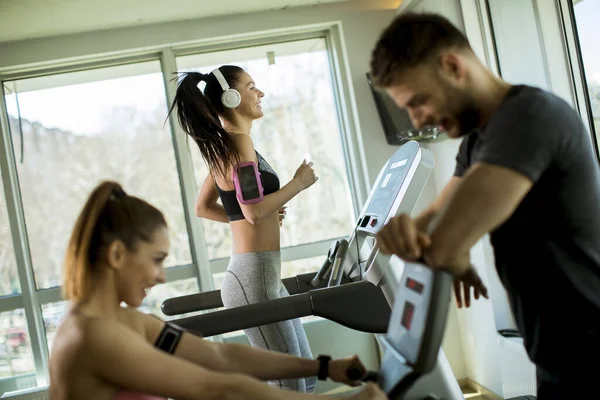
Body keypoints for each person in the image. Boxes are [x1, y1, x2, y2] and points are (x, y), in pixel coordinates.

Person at [369, 12, 600, 400]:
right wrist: (405, 229)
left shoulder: (529, 118)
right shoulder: (477, 143)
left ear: (452, 66)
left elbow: (443, 246)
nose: (417, 118)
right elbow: (433, 220)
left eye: (419, 101)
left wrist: (454, 258)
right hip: (556, 356)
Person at [48, 180, 386, 400]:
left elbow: (220, 357)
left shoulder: (124, 321)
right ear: (117, 254)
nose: (162, 276)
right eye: (156, 260)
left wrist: (324, 367)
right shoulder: (92, 336)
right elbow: (217, 388)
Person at [167, 65, 321, 392]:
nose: (260, 93)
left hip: (262, 277)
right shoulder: (237, 145)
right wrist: (298, 183)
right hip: (253, 279)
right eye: (252, 87)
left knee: (304, 379)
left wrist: (261, 213)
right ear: (231, 96)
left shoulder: (228, 146)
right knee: (289, 386)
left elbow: (205, 208)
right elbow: (252, 211)